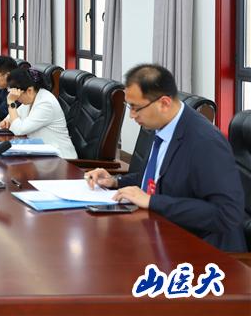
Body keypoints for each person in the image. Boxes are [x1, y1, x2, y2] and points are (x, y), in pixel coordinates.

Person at [85, 64, 246, 252]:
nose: (131, 115)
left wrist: (153, 202)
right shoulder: (161, 127)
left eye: (136, 108)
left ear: (164, 103)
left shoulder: (205, 142)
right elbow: (156, 180)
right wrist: (115, 181)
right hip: (161, 234)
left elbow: (227, 213)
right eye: (129, 106)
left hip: (204, 250)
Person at [0, 68, 77, 158]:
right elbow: (13, 116)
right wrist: (6, 121)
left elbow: (19, 130)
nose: (16, 99)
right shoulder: (32, 98)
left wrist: (11, 102)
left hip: (61, 158)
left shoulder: (46, 103)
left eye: (17, 96)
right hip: (43, 154)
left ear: (29, 90)